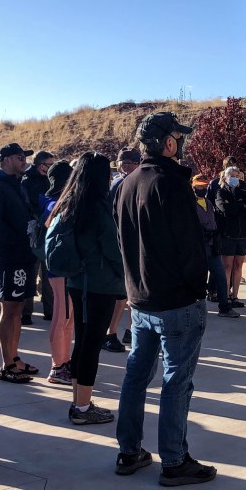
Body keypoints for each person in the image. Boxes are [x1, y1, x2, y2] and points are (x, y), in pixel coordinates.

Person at [114, 112, 217, 486]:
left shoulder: (126, 185)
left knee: (136, 377)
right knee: (176, 381)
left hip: (141, 301)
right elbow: (190, 248)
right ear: (169, 144)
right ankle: (173, 460)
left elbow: (124, 244)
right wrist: (196, 288)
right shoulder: (171, 184)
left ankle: (129, 450)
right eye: (178, 137)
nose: (181, 143)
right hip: (175, 302)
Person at [48, 152, 123, 424]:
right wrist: (125, 274)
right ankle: (82, 408)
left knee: (82, 342)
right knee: (91, 345)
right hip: (99, 284)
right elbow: (113, 251)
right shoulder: (98, 208)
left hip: (77, 282)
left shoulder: (70, 203)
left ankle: (79, 402)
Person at [0, 143, 38, 383]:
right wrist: (15, 239)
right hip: (7, 258)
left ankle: (15, 358)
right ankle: (7, 364)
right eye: (18, 157)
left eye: (24, 157)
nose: (23, 160)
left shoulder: (18, 186)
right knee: (9, 309)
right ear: (5, 159)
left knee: (18, 310)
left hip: (22, 257)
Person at [103, 148, 141, 352]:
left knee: (126, 294)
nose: (126, 166)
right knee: (122, 294)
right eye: (124, 163)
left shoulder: (119, 182)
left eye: (129, 163)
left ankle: (128, 330)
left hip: (124, 244)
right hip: (123, 246)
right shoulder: (124, 183)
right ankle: (110, 334)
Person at [44, 160, 74, 384]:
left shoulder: (54, 201)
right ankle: (57, 365)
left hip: (63, 267)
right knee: (61, 315)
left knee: (68, 316)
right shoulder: (56, 203)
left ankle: (64, 360)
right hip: (61, 267)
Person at [193, 173, 239, 318]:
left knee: (220, 277)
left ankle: (224, 307)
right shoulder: (188, 204)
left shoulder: (209, 203)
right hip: (198, 248)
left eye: (205, 186)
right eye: (199, 186)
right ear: (193, 186)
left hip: (213, 247)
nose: (203, 188)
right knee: (198, 280)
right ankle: (196, 309)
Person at [213, 165, 246, 308]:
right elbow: (224, 209)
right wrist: (239, 207)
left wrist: (235, 206)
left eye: (237, 176)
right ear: (225, 177)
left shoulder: (243, 192)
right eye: (233, 176)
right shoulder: (220, 193)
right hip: (227, 235)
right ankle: (225, 296)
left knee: (238, 266)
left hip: (242, 235)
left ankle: (235, 296)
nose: (236, 178)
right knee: (227, 266)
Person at [23, 150, 55, 320]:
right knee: (31, 273)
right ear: (39, 165)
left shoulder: (49, 181)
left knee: (48, 273)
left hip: (46, 232)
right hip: (33, 232)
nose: (50, 169)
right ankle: (26, 312)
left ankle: (49, 310)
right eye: (48, 165)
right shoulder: (26, 181)